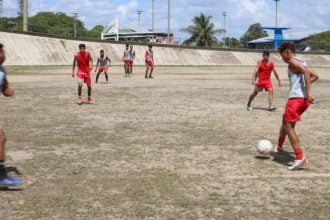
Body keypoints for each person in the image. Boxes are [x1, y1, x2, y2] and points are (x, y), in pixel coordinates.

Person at [275, 42, 319, 170]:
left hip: (296, 99)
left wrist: (308, 91)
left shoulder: (293, 62)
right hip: (303, 100)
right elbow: (315, 75)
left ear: (287, 52)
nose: (282, 59)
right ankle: (279, 146)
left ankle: (300, 158)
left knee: (289, 127)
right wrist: (305, 89)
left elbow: (306, 73)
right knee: (285, 121)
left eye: (282, 56)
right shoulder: (301, 60)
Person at [0, 43, 22, 187]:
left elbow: (5, 88)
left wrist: (8, 91)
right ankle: (1, 177)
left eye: (3, 52)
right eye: (1, 52)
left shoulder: (2, 71)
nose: (4, 55)